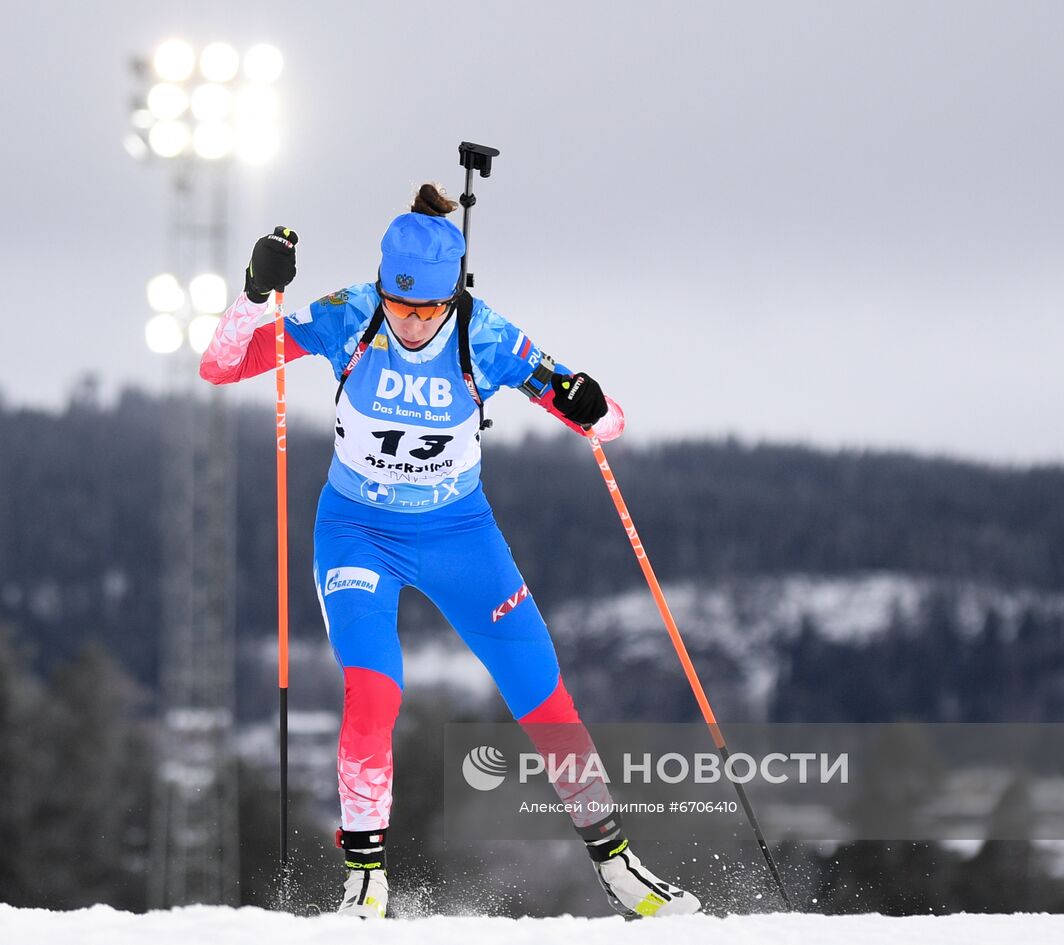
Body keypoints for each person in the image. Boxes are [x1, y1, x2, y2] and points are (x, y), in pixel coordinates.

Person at [200, 184, 700, 919]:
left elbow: (602, 418)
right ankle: (365, 879)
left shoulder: (484, 334)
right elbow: (222, 366)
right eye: (397, 305)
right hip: (358, 532)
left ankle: (620, 867)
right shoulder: (350, 315)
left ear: (449, 299)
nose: (406, 321)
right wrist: (253, 293)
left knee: (542, 691)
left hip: (459, 534)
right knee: (373, 693)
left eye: (423, 310)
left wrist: (590, 403)